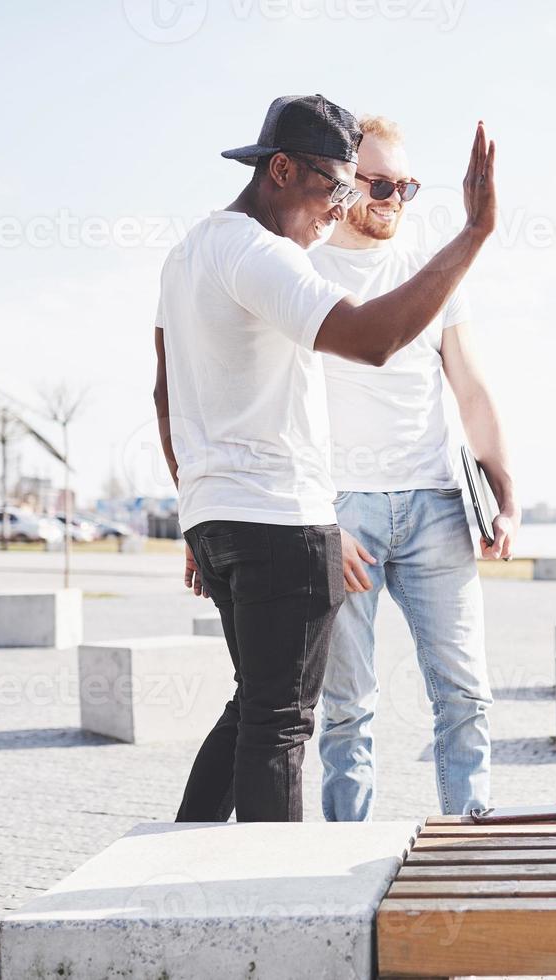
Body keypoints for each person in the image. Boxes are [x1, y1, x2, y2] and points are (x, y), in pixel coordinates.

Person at [152, 94, 497, 823]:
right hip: (280, 520)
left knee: (254, 706)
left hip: (219, 518)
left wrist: (194, 509)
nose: (338, 210)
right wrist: (473, 234)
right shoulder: (260, 251)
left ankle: (181, 860)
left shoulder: (188, 251)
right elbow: (371, 338)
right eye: (335, 188)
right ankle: (271, 908)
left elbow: (163, 393)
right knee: (282, 725)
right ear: (281, 170)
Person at [309, 114, 519, 822]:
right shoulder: (300, 272)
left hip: (436, 508)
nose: (392, 198)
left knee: (464, 693)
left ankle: (471, 835)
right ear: (340, 183)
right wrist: (314, 521)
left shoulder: (431, 274)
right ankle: (345, 849)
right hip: (344, 513)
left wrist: (504, 496)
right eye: (378, 183)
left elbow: (472, 389)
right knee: (346, 707)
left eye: (406, 186)